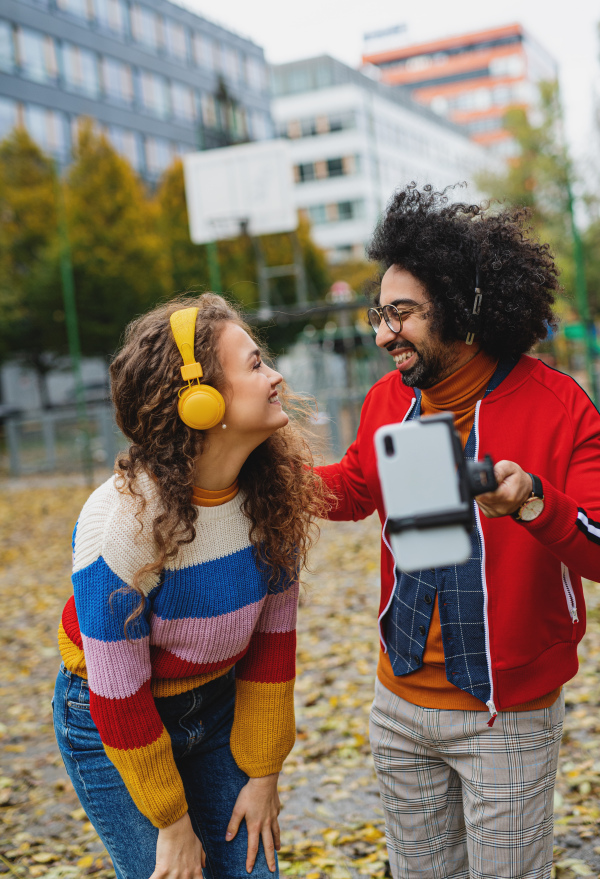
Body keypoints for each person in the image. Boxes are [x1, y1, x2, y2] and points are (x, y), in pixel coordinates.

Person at [317, 185, 600, 879]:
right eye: (380, 313)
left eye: (401, 313)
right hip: (399, 703)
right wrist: (255, 470)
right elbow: (355, 487)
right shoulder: (387, 398)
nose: (383, 333)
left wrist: (535, 500)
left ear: (464, 308)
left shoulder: (562, 407)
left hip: (505, 715)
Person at [53, 294, 328, 879]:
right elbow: (119, 697)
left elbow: (272, 654)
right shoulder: (120, 526)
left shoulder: (271, 496)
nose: (276, 376)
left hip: (215, 700)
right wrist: (173, 825)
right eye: (254, 366)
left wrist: (263, 774)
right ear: (201, 402)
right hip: (113, 723)